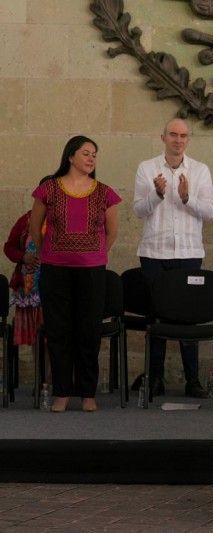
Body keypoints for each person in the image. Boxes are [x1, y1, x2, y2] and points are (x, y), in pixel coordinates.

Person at [29, 135, 121, 413]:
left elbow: (112, 232)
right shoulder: (48, 189)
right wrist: (49, 254)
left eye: (94, 154)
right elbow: (35, 228)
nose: (91, 158)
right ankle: (62, 392)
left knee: (88, 331)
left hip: (92, 271)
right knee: (58, 330)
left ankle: (87, 393)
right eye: (85, 153)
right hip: (55, 270)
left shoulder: (105, 192)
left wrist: (94, 255)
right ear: (70, 156)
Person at [132, 118, 213, 398]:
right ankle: (155, 378)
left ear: (188, 140)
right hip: (154, 254)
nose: (178, 140)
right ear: (163, 137)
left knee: (188, 317)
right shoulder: (147, 168)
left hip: (189, 254)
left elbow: (210, 211)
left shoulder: (200, 170)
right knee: (156, 315)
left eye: (183, 135)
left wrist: (187, 198)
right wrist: (157, 195)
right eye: (173, 135)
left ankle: (192, 380)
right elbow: (138, 210)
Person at [4, 206, 45, 349]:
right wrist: (23, 257)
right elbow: (9, 247)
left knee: (55, 337)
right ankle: (40, 364)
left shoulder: (62, 221)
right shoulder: (25, 221)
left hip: (55, 289)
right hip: (30, 290)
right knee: (37, 338)